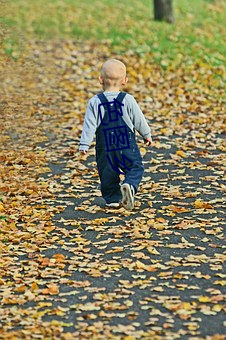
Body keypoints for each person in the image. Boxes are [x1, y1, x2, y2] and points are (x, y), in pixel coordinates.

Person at [79, 59, 152, 210]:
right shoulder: (128, 100)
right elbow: (138, 119)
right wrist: (146, 134)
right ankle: (130, 185)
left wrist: (84, 144)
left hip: (105, 146)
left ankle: (112, 199)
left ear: (101, 79)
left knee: (107, 171)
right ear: (125, 81)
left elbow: (89, 125)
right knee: (135, 167)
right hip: (126, 144)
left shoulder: (95, 102)